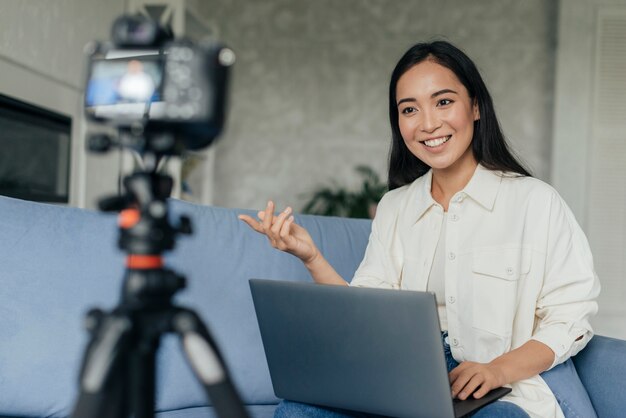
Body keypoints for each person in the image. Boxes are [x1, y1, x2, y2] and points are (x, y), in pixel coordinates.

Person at [239, 41, 600, 418]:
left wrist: (496, 370)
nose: (428, 124)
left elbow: (571, 315)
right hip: (399, 380)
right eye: (409, 109)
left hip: (496, 391)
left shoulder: (535, 201)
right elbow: (366, 318)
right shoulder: (395, 207)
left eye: (443, 102)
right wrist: (311, 257)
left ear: (475, 107)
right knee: (296, 412)